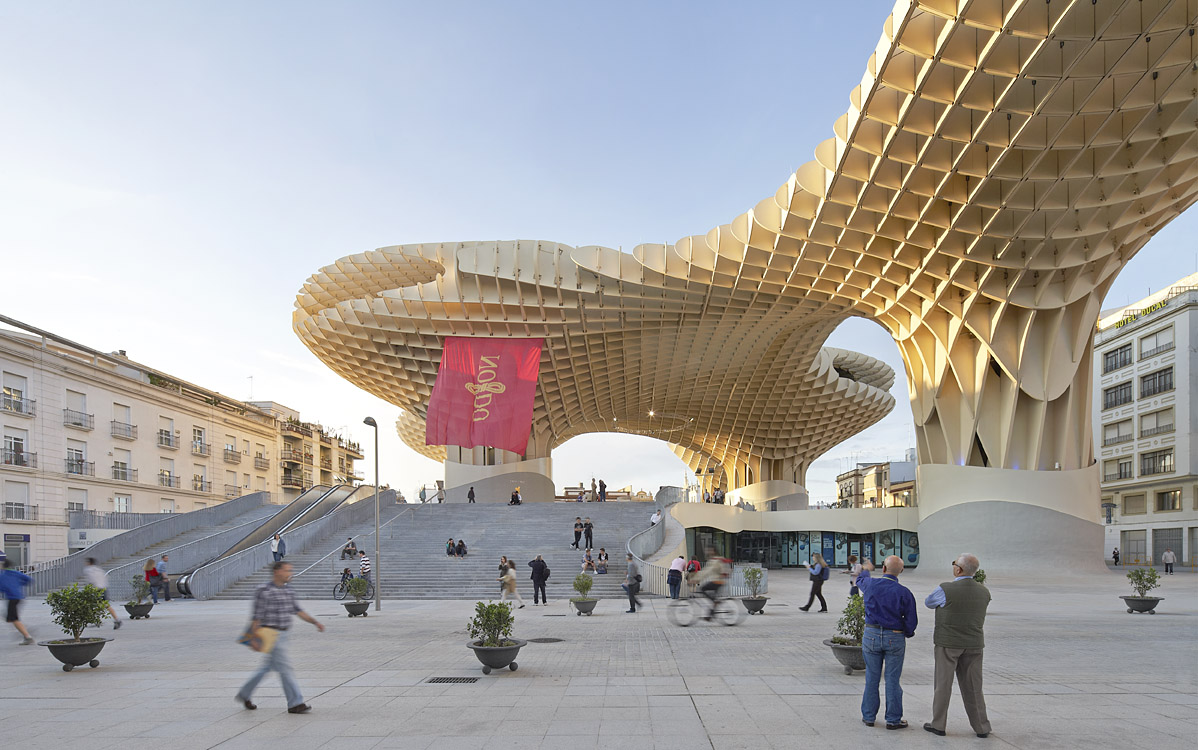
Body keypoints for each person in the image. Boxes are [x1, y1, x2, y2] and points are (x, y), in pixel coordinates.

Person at [235, 561, 325, 713]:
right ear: (277, 571)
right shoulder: (263, 590)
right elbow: (256, 617)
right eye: (287, 570)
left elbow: (298, 611)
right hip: (270, 634)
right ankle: (295, 703)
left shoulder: (288, 590)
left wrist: (315, 622)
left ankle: (245, 694)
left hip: (284, 634)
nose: (290, 573)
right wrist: (253, 638)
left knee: (266, 668)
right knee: (285, 668)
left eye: (291, 570)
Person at [923, 553, 992, 738]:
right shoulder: (984, 591)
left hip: (948, 643)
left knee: (943, 685)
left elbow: (928, 603)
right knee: (974, 686)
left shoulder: (945, 589)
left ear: (958, 569)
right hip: (974, 644)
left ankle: (938, 724)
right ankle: (982, 727)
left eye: (954, 564)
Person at [855, 555, 917, 730]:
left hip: (871, 633)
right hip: (894, 636)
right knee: (892, 679)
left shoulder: (871, 584)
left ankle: (868, 717)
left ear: (883, 569)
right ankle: (893, 719)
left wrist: (867, 568)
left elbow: (859, 579)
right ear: (901, 571)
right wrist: (906, 632)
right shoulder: (904, 592)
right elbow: (911, 620)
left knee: (872, 678)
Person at [1, 559, 34, 644]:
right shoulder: (16, 573)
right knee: (10, 618)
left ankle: (28, 637)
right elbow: (29, 579)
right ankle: (24, 630)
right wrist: (19, 584)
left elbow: (2, 587)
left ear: (3, 566)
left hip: (12, 598)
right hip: (18, 596)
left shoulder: (3, 575)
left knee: (13, 619)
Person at [691, 547, 730, 616]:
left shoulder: (716, 560)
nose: (708, 552)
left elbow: (707, 572)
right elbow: (705, 571)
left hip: (718, 581)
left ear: (714, 551)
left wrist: (696, 579)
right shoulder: (712, 560)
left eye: (709, 550)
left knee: (702, 589)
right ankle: (711, 614)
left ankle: (715, 602)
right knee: (713, 597)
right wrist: (696, 578)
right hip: (716, 581)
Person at [83, 557, 121, 629]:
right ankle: (117, 619)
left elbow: (90, 580)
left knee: (91, 604)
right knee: (106, 605)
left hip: (96, 589)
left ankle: (95, 620)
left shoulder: (88, 570)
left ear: (89, 562)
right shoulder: (99, 569)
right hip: (103, 588)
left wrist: (89, 589)